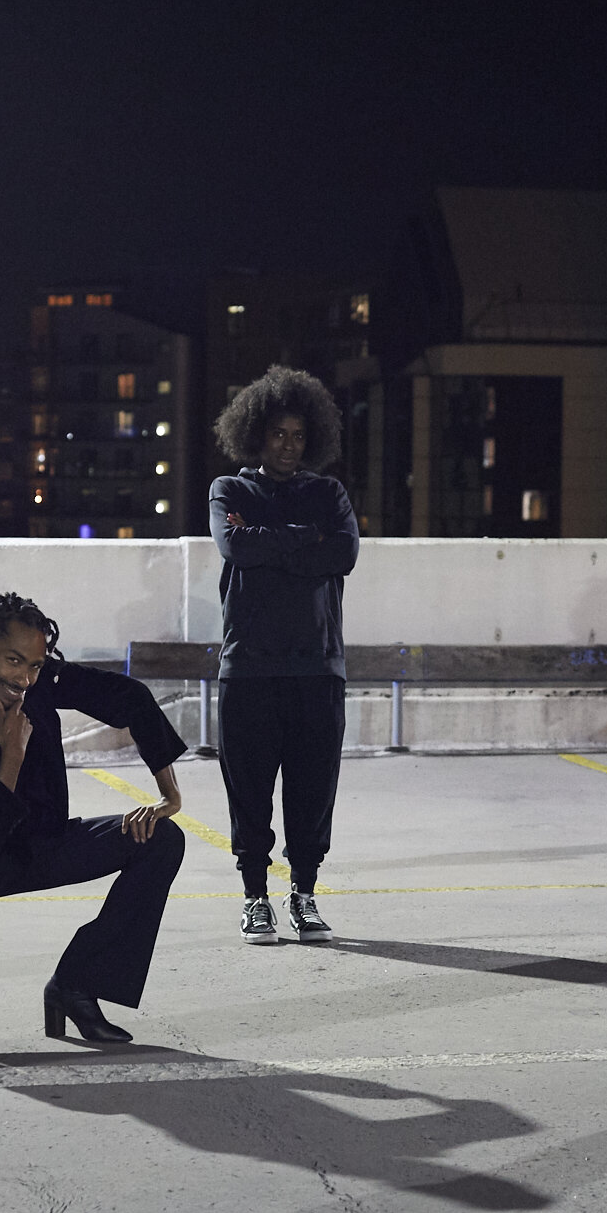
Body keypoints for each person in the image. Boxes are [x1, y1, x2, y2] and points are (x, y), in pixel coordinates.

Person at [0, 593, 189, 1051]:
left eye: (34, 664)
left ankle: (75, 985)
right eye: (14, 661)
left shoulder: (37, 681)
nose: (25, 678)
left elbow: (129, 698)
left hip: (35, 841)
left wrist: (169, 796)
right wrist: (11, 755)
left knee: (160, 839)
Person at [209, 366, 360, 946]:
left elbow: (342, 556)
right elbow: (235, 547)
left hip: (318, 670)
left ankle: (303, 894)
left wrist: (270, 539)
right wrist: (306, 539)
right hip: (248, 669)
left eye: (298, 436)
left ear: (312, 438)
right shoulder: (230, 491)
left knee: (312, 789)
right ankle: (254, 899)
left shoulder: (329, 493)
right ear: (256, 435)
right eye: (277, 434)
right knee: (248, 791)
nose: (288, 445)